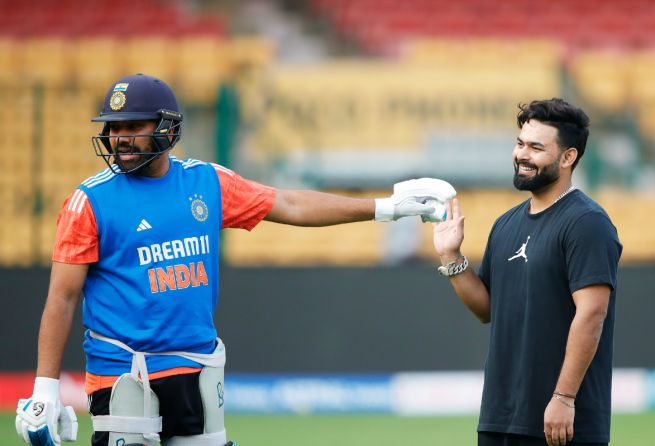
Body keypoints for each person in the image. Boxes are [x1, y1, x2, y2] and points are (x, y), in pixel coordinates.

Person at [15, 73, 456, 446]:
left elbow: (293, 205)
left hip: (198, 369)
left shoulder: (207, 182)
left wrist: (386, 207)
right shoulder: (88, 201)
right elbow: (62, 298)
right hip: (123, 376)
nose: (118, 137)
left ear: (167, 128)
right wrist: (45, 389)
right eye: (112, 127)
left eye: (133, 125)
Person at [432, 98, 622, 446]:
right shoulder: (505, 224)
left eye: (536, 147)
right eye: (520, 143)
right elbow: (487, 309)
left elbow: (592, 314)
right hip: (500, 418)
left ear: (568, 158)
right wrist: (451, 256)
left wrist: (564, 397)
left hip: (561, 422)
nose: (522, 155)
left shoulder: (587, 223)